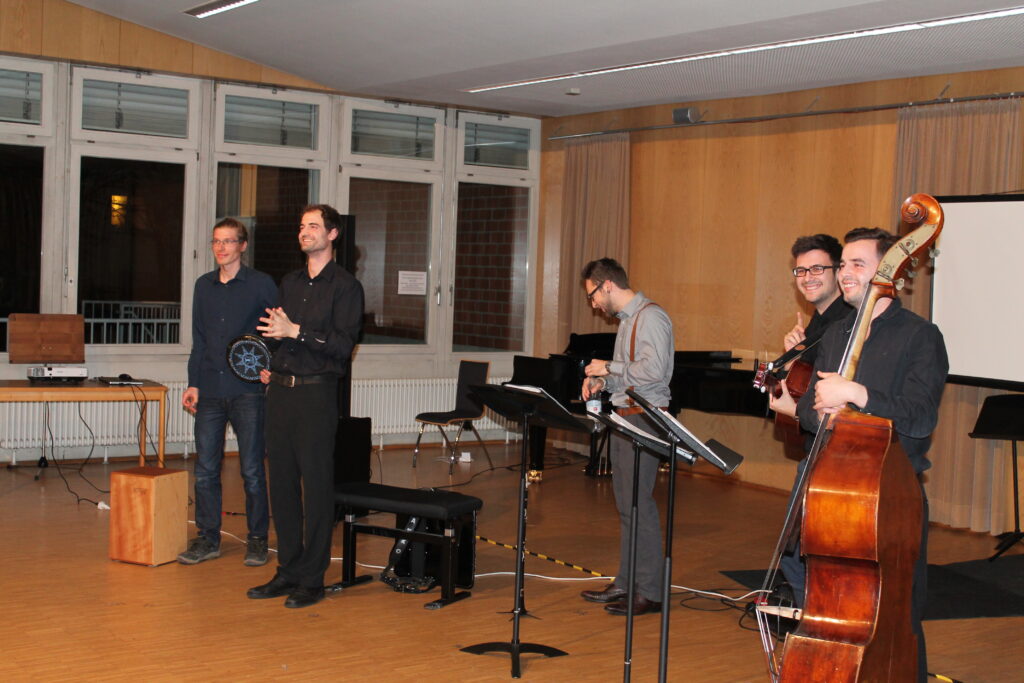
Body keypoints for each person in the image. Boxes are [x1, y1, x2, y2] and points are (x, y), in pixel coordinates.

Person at [772, 227, 948, 681]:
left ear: (891, 275)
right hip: (836, 489)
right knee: (831, 607)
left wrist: (858, 393)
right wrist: (821, 408)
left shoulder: (920, 336)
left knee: (897, 613)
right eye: (844, 263)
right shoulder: (837, 334)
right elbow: (811, 416)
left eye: (857, 264)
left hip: (892, 495)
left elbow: (920, 417)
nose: (845, 273)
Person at [246, 204, 364, 609]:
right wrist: (270, 359)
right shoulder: (290, 282)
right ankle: (289, 570)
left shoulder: (346, 287)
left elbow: (342, 348)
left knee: (315, 487)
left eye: (313, 226)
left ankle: (312, 579)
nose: (304, 231)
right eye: (301, 226)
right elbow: (279, 337)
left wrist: (295, 331)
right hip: (279, 392)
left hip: (316, 395)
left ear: (332, 235)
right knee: (280, 485)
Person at [578, 258, 674, 616]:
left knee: (640, 505)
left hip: (645, 419)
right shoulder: (628, 322)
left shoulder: (651, 317)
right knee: (627, 505)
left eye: (592, 295)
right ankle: (626, 582)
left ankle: (649, 592)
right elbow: (629, 377)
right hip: (626, 416)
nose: (593, 304)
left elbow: (654, 370)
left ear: (607, 285)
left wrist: (609, 367)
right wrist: (604, 381)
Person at [178, 217, 277, 567]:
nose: (221, 248)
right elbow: (200, 340)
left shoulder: (262, 284)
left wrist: (271, 368)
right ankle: (207, 539)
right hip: (209, 390)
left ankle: (257, 539)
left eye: (228, 241)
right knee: (205, 469)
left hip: (248, 391)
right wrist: (193, 382)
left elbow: (275, 333)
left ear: (242, 246)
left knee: (251, 469)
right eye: (216, 241)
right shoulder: (203, 286)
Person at [782, 233, 851, 367]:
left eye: (817, 269)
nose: (807, 278)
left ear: (838, 272)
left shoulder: (849, 323)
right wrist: (793, 357)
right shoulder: (816, 321)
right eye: (801, 270)